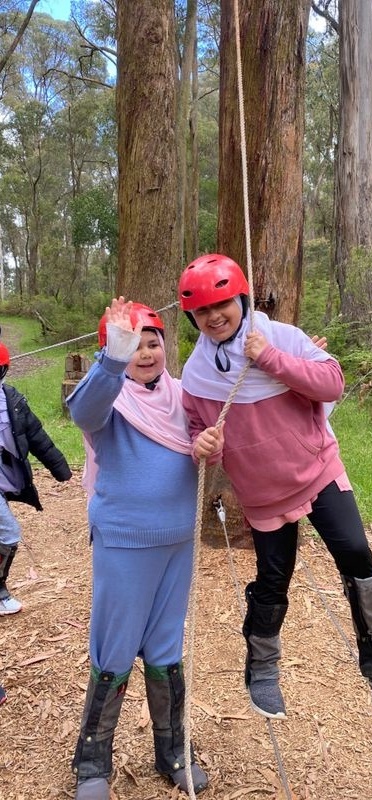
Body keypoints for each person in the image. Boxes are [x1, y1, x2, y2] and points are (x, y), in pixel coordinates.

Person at [178, 253, 372, 720]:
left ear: (241, 298)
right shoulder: (196, 377)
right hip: (263, 493)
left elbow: (332, 383)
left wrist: (270, 358)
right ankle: (262, 668)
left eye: (222, 303)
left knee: (357, 556)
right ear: (191, 317)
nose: (214, 316)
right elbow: (203, 442)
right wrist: (204, 444)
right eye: (201, 310)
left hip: (318, 470)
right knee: (273, 578)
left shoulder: (280, 336)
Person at [66, 299, 208, 800]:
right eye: (133, 345)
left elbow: (233, 420)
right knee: (115, 646)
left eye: (153, 342)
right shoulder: (109, 400)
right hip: (124, 541)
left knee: (167, 648)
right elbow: (81, 410)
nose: (146, 353)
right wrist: (112, 357)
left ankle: (174, 751)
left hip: (177, 542)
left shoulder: (186, 396)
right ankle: (91, 763)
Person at [0, 341, 72, 616]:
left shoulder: (13, 402)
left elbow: (37, 438)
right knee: (8, 532)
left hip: (7, 477)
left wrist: (61, 470)